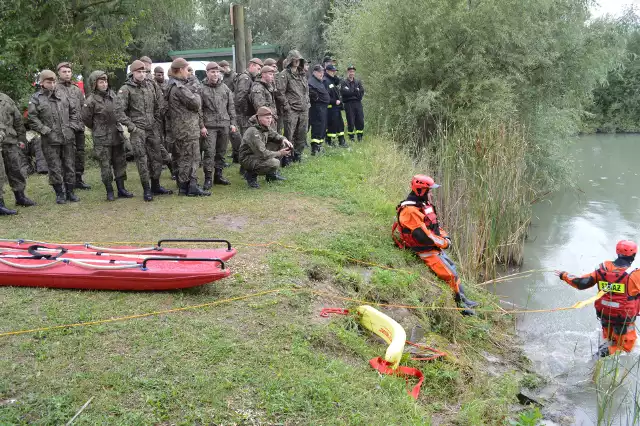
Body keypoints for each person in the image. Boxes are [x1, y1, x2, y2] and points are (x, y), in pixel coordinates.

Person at [393, 175, 478, 315]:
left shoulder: (423, 204)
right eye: (429, 190)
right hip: (424, 250)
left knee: (452, 267)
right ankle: (460, 308)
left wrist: (444, 236)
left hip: (433, 247)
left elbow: (434, 227)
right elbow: (423, 236)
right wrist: (444, 243)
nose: (431, 193)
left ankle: (463, 298)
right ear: (420, 190)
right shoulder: (410, 211)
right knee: (449, 275)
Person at [555, 240, 640, 358]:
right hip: (624, 319)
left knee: (608, 340)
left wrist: (564, 275)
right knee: (625, 349)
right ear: (634, 255)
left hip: (605, 315)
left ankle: (600, 358)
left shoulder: (602, 269)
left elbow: (582, 283)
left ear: (617, 252)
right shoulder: (635, 274)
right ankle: (598, 356)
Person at [116, 60, 171, 201]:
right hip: (138, 130)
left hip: (152, 128)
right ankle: (147, 189)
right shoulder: (126, 89)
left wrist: (157, 121)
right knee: (142, 159)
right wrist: (131, 126)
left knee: (157, 158)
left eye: (144, 72)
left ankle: (156, 186)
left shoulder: (150, 85)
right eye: (139, 72)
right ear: (133, 73)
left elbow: (158, 105)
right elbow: (118, 111)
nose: (142, 74)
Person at [28, 70, 80, 204]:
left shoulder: (63, 94)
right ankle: (59, 194)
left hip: (67, 137)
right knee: (54, 167)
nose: (52, 84)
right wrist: (45, 130)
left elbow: (73, 111)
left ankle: (70, 192)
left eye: (53, 82)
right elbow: (32, 118)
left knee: (69, 165)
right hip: (50, 140)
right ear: (42, 83)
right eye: (48, 82)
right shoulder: (36, 98)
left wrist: (72, 126)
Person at [82, 71, 133, 201]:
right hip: (102, 138)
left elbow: (119, 111)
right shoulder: (91, 100)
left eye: (105, 81)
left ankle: (121, 189)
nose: (104, 84)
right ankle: (109, 191)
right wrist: (98, 128)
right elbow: (86, 119)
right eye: (101, 82)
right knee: (105, 166)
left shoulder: (113, 95)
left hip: (117, 135)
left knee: (120, 163)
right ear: (95, 84)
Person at [165, 57, 210, 197]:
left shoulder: (174, 85)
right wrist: (196, 92)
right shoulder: (179, 88)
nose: (188, 73)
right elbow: (195, 103)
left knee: (184, 158)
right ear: (179, 70)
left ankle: (184, 186)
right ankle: (191, 186)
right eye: (186, 69)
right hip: (187, 129)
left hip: (182, 128)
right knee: (191, 157)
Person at [200, 62, 235, 189]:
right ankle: (208, 178)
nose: (215, 74)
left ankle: (218, 176)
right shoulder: (201, 89)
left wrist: (233, 123)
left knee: (221, 152)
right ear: (207, 73)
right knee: (209, 152)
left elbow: (231, 107)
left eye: (217, 72)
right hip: (209, 126)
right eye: (212, 72)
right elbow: (199, 110)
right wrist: (202, 126)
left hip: (224, 124)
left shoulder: (225, 88)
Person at [239, 107, 292, 189]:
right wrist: (280, 153)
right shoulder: (253, 131)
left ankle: (271, 175)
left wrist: (284, 139)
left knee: (282, 143)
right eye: (267, 118)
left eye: (270, 118)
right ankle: (251, 175)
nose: (269, 120)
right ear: (259, 118)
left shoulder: (264, 126)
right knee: (274, 163)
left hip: (257, 154)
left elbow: (275, 135)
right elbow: (262, 153)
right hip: (247, 158)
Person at [56, 62, 89, 189]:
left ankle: (78, 179)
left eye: (69, 72)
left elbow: (83, 106)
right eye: (64, 72)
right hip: (65, 128)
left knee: (80, 153)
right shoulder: (56, 89)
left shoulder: (76, 89)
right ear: (59, 73)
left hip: (79, 127)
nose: (67, 74)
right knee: (67, 155)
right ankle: (67, 181)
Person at [0, 91, 36, 209]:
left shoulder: (5, 98)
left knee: (15, 169)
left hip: (10, 141)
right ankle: (0, 204)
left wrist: (21, 138)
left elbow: (18, 119)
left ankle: (20, 197)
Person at [277, 50, 309, 162]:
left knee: (302, 134)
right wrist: (287, 106)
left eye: (298, 59)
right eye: (294, 59)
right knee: (289, 134)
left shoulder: (302, 74)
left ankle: (298, 155)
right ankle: (286, 157)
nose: (296, 61)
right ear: (290, 60)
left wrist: (307, 103)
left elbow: (306, 91)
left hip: (304, 109)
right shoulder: (284, 75)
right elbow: (280, 92)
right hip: (291, 110)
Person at [234, 58, 263, 163]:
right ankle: (244, 165)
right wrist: (243, 112)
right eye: (258, 68)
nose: (259, 71)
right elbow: (240, 97)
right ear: (252, 65)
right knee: (246, 141)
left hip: (246, 114)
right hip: (244, 115)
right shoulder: (245, 78)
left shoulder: (249, 78)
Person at [308, 64, 330, 156]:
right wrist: (316, 98)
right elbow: (310, 93)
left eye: (323, 72)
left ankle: (319, 146)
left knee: (322, 127)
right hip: (316, 108)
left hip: (323, 108)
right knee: (317, 127)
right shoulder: (311, 82)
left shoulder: (319, 81)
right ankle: (314, 148)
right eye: (320, 72)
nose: (322, 74)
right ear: (314, 72)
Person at [322, 64, 347, 147]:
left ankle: (341, 141)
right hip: (330, 108)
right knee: (331, 126)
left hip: (336, 108)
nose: (334, 73)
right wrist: (334, 101)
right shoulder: (325, 81)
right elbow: (325, 96)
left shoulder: (332, 80)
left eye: (334, 71)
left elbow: (337, 83)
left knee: (340, 124)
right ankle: (329, 142)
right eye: (332, 71)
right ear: (327, 71)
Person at [340, 65, 365, 142]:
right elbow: (344, 93)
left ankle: (360, 137)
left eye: (353, 72)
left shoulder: (358, 82)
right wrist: (355, 92)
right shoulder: (344, 82)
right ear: (348, 72)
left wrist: (353, 92)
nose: (352, 73)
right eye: (350, 71)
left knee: (360, 120)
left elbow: (361, 92)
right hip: (349, 104)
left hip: (358, 103)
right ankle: (351, 138)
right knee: (350, 121)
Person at [250, 65, 278, 131]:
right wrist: (269, 117)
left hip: (270, 118)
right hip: (264, 119)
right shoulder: (258, 87)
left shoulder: (268, 86)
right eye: (270, 74)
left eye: (273, 75)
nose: (272, 77)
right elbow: (259, 106)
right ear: (263, 75)